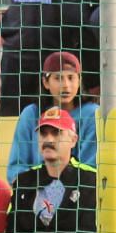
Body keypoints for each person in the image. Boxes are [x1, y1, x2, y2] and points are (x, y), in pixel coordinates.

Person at [2, 107, 96, 233]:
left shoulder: (89, 180)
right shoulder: (24, 181)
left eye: (56, 133)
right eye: (43, 134)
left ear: (73, 140)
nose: (49, 140)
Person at [8, 51, 98, 182]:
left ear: (80, 80)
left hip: (77, 192)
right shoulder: (30, 114)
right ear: (45, 82)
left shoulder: (92, 114)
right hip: (35, 190)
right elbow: (15, 167)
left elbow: (90, 169)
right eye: (58, 78)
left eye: (71, 77)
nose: (66, 85)